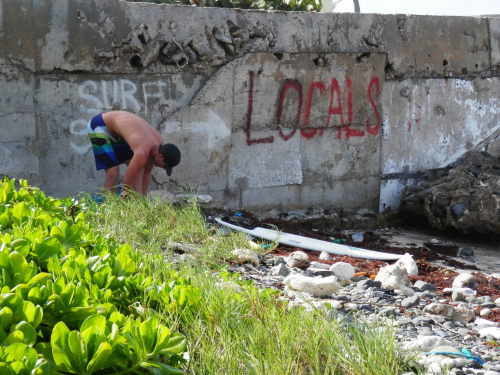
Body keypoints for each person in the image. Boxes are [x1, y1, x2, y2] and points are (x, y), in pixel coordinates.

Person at [87, 111, 181, 195]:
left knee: (140, 169)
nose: (161, 168)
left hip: (117, 134)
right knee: (113, 173)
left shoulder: (157, 144)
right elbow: (127, 182)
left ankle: (138, 205)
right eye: (164, 166)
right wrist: (123, 201)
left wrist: (143, 203)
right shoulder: (143, 150)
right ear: (161, 157)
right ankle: (109, 208)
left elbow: (146, 174)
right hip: (99, 125)